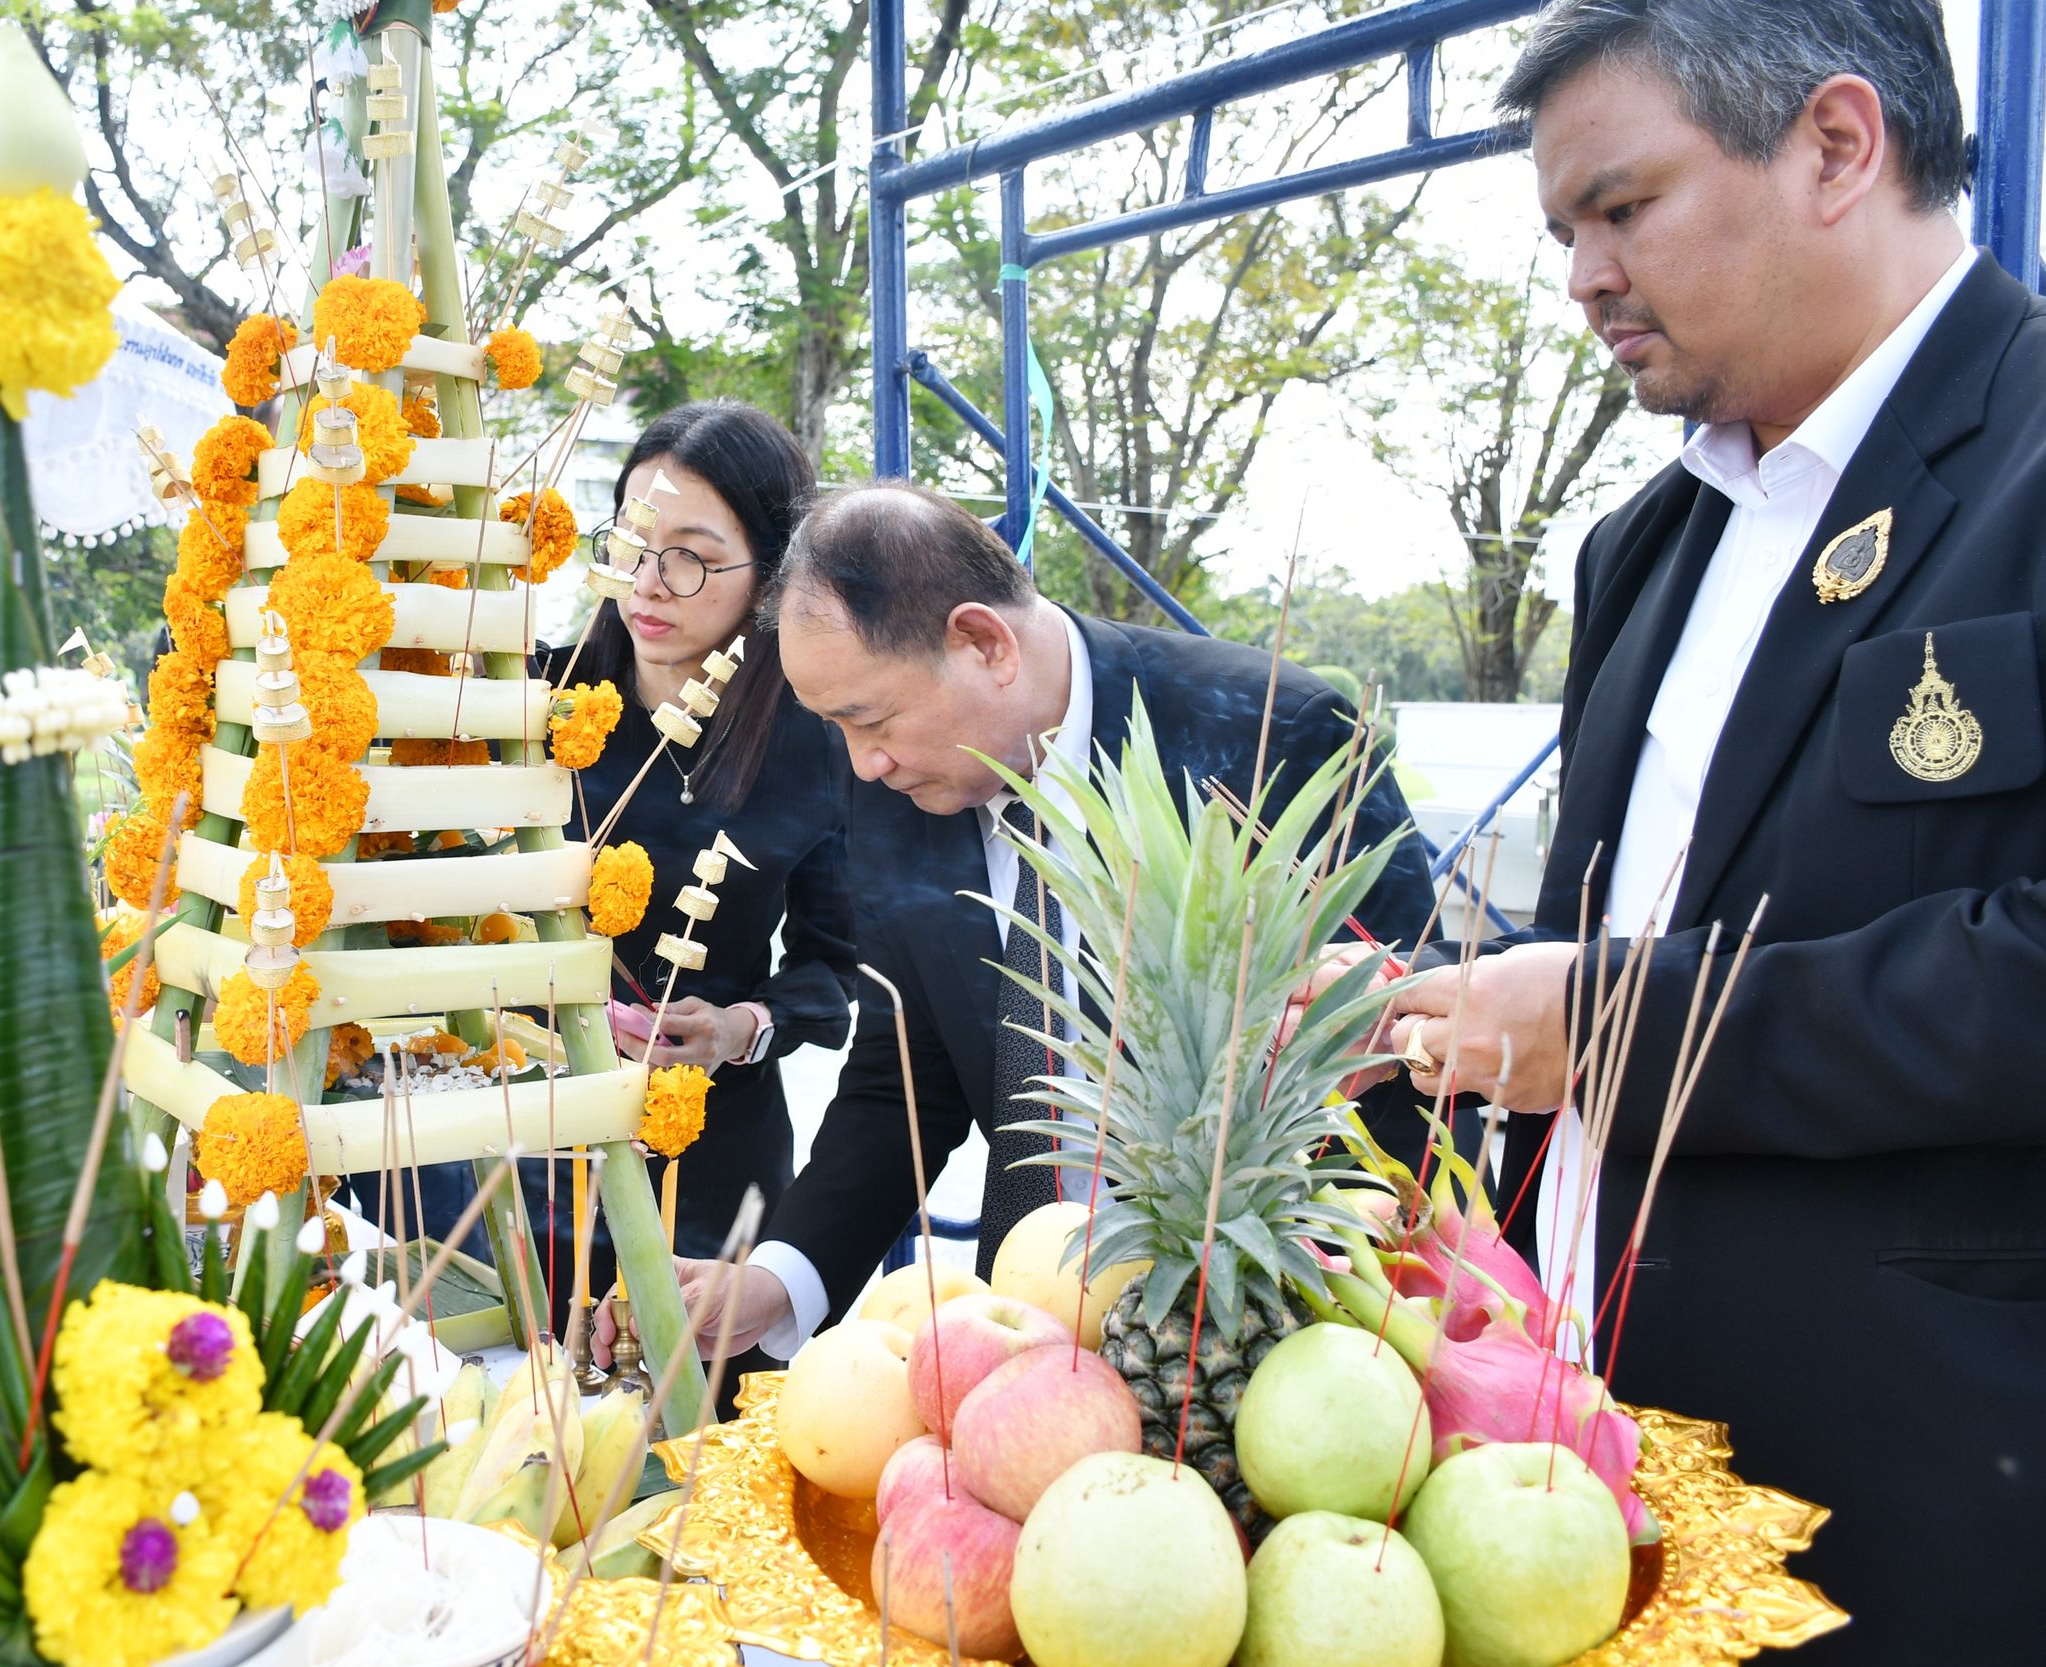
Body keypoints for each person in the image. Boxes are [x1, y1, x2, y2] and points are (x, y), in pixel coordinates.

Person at [1366, 4, 2040, 1656]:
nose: (1585, 275)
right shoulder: (1648, 544)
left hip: (1913, 1523)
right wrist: (1436, 1017)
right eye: (1563, 231)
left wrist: (1610, 1025)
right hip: (1586, 1500)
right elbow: (1624, 927)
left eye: (1622, 207)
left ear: (1834, 146)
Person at [641, 480, 1437, 1366]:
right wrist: (779, 1277)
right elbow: (902, 1076)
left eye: (869, 719)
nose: (862, 765)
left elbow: (1415, 1018)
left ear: (984, 642)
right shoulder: (900, 789)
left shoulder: (1268, 732)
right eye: (837, 729)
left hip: (1286, 1340)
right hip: (1023, 1341)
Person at [426, 402, 856, 1339]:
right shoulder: (531, 698)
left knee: (681, 1439)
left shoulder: (818, 741)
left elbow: (835, 971)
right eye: (631, 542)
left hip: (705, 1148)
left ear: (773, 575)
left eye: (694, 555)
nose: (651, 582)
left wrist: (740, 1026)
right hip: (526, 1137)